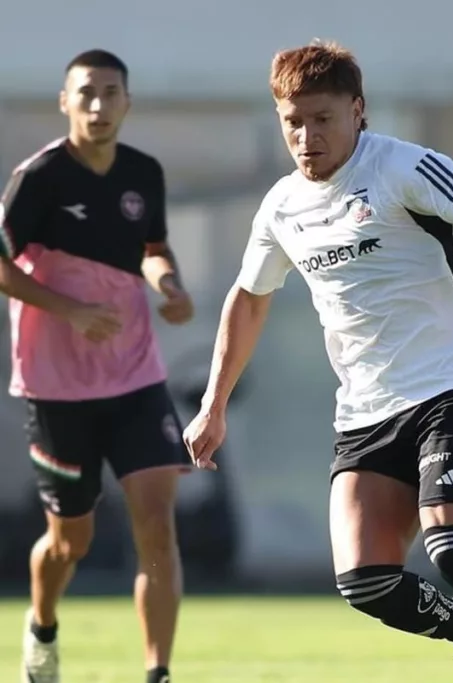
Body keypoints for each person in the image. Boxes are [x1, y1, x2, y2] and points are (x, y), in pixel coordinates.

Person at [181, 41, 453, 683]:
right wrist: (214, 405)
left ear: (358, 111)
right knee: (365, 581)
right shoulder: (281, 206)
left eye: (322, 118)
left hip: (448, 388)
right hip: (365, 411)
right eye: (292, 122)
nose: (306, 136)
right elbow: (247, 300)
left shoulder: (400, 168)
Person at [0, 50, 195, 683]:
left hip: (136, 377)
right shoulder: (39, 178)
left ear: (126, 103)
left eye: (111, 93)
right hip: (57, 389)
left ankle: (158, 672)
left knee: (157, 525)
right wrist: (70, 310)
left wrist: (169, 284)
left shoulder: (144, 173)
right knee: (70, 542)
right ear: (65, 102)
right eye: (85, 93)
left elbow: (152, 248)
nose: (97, 105)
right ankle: (43, 626)